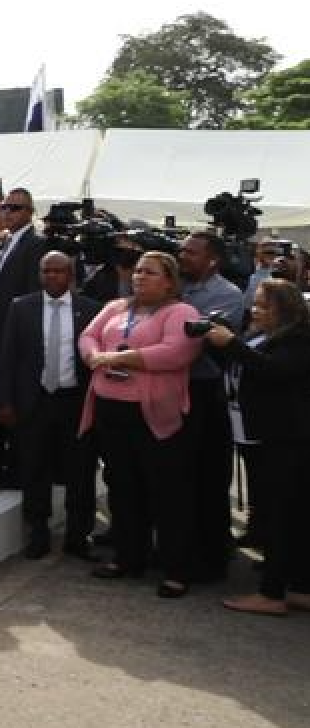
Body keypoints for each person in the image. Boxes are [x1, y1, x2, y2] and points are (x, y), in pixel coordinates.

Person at [78, 251, 203, 599]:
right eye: (137, 272)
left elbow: (177, 352)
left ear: (169, 280)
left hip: (153, 417)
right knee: (122, 486)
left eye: (149, 272)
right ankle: (127, 557)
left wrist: (119, 358)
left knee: (166, 492)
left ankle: (177, 569)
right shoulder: (116, 307)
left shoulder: (181, 312)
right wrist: (93, 355)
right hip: (111, 410)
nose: (139, 277)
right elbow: (88, 336)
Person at [202, 280, 310, 615]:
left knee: (281, 518)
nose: (254, 310)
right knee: (287, 516)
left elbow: (274, 371)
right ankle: (301, 588)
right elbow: (241, 367)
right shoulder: (258, 336)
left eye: (263, 305)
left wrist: (231, 342)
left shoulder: (299, 339)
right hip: (258, 439)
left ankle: (272, 593)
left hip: (284, 442)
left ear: (284, 309)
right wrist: (219, 340)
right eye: (254, 304)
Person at [0, 251, 100, 560]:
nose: (51, 276)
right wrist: (5, 402)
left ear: (71, 275)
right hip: (35, 402)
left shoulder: (91, 310)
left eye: (58, 271)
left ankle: (78, 536)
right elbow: (8, 359)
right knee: (34, 470)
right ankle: (38, 534)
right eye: (46, 271)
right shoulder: (22, 308)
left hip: (75, 403)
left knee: (79, 472)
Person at [177, 232, 246, 582]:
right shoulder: (175, 286)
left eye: (191, 252)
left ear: (212, 260)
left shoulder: (228, 296)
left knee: (208, 477)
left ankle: (212, 557)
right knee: (178, 477)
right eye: (182, 250)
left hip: (207, 395)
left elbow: (195, 339)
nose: (182, 256)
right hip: (171, 391)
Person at [0, 188, 45, 485]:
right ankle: (3, 461)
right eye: (4, 207)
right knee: (3, 398)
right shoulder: (6, 242)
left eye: (15, 208)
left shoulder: (35, 245)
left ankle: (19, 467)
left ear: (30, 212)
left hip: (19, 338)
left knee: (18, 400)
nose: (7, 213)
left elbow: (34, 295)